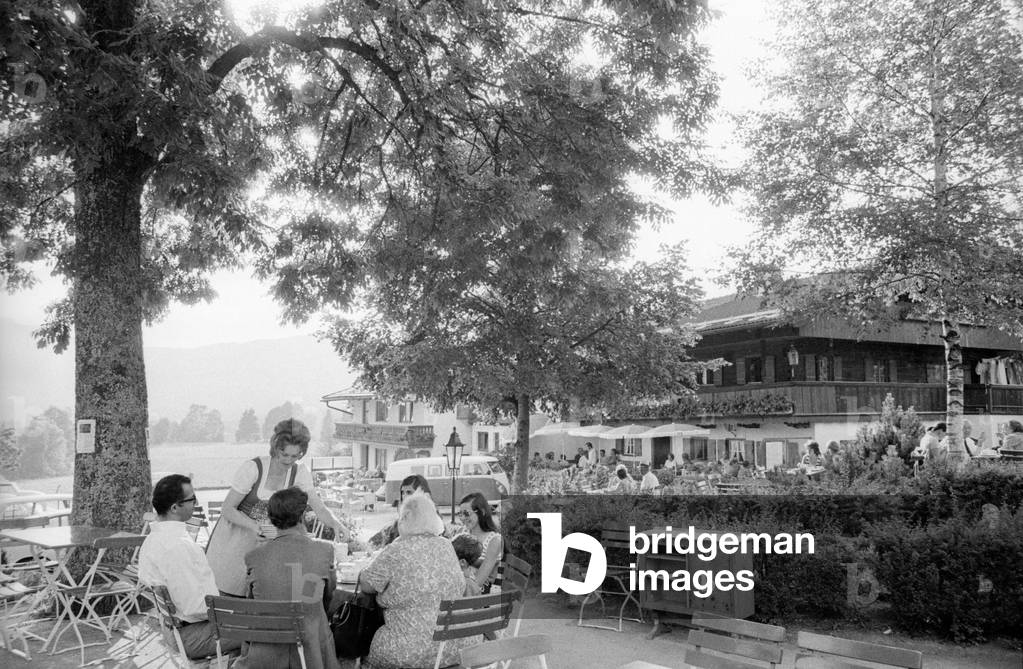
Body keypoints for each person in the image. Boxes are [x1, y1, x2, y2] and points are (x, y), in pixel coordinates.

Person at [206, 418, 348, 596]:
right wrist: (254, 526)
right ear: (275, 448)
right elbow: (227, 509)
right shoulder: (253, 468)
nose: (289, 461)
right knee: (230, 592)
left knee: (262, 594)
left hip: (269, 545)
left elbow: (318, 507)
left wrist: (336, 524)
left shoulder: (299, 472)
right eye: (284, 454)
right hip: (236, 540)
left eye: (295, 456)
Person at [359, 493, 472, 669]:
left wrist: (362, 572)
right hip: (452, 647)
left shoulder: (397, 549)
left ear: (404, 518)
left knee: (365, 646)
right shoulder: (446, 545)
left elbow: (367, 585)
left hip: (407, 651)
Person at [138, 475, 243, 660]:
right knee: (271, 628)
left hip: (177, 628)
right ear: (174, 508)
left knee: (259, 618)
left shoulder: (152, 540)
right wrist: (233, 610)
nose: (196, 503)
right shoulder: (177, 546)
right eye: (192, 499)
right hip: (191, 634)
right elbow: (195, 607)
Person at [234, 487, 340, 669]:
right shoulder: (324, 551)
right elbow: (327, 597)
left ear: (271, 519)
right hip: (312, 653)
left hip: (265, 653)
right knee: (317, 615)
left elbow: (252, 602)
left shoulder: (254, 556)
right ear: (302, 516)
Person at [368, 474, 443, 548]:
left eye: (409, 492)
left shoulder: (437, 527)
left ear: (423, 494)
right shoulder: (395, 527)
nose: (404, 496)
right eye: (402, 493)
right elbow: (372, 544)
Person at [456, 491, 503, 593]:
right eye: (460, 514)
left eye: (466, 513)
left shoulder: (494, 541)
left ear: (482, 512)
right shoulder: (462, 532)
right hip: (461, 586)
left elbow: (477, 583)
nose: (462, 518)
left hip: (479, 594)